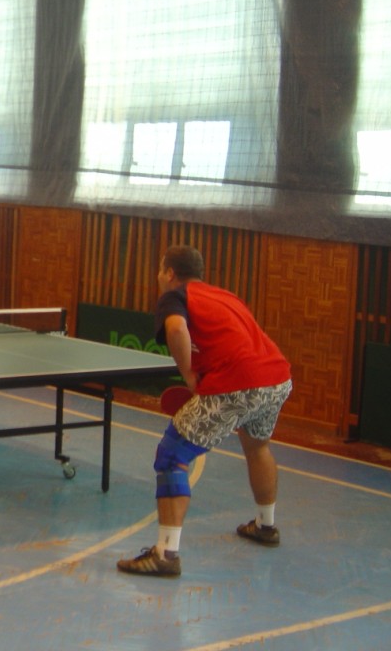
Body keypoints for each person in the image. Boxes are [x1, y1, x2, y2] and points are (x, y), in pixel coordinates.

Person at [116, 245, 292, 577]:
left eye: (160, 269)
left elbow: (176, 329)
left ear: (170, 272)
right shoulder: (225, 296)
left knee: (172, 456)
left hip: (239, 384)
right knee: (258, 447)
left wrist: (188, 374)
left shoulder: (175, 296)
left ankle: (165, 554)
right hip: (277, 379)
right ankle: (265, 526)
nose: (159, 276)